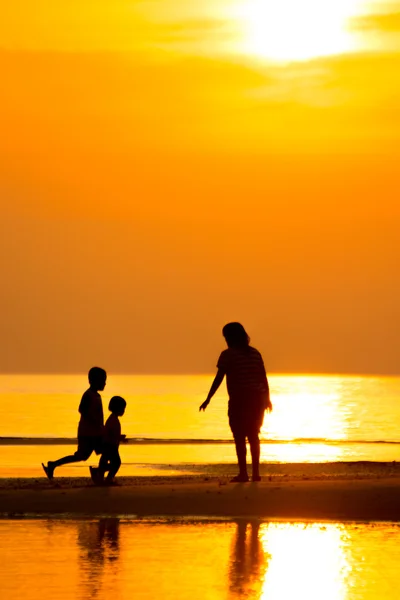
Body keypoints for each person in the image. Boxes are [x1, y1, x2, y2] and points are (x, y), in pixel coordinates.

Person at [200, 323, 272, 482]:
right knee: (253, 435)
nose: (225, 340)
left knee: (239, 436)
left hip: (240, 400)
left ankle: (244, 474)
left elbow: (219, 378)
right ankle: (255, 474)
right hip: (256, 399)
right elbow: (263, 377)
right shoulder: (255, 353)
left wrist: (208, 398)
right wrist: (267, 398)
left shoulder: (228, 355)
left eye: (226, 337)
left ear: (231, 337)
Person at [42, 366, 107, 480]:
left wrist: (101, 427)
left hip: (95, 432)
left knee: (104, 451)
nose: (105, 383)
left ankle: (98, 472)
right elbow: (82, 409)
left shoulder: (97, 396)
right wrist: (95, 422)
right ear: (94, 381)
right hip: (87, 434)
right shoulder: (88, 395)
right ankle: (53, 465)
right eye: (103, 380)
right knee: (83, 455)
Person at [90, 395, 126, 486]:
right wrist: (119, 437)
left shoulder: (113, 419)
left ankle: (100, 476)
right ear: (118, 408)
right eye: (123, 408)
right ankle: (107, 478)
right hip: (110, 446)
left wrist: (119, 437)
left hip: (110, 445)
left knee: (107, 462)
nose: (123, 411)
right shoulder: (113, 420)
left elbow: (111, 433)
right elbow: (111, 434)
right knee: (116, 463)